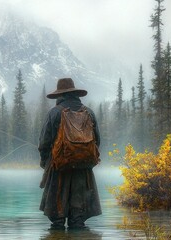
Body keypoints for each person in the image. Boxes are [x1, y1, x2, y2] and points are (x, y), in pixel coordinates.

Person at [38, 77, 102, 230]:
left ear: (60, 95)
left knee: (57, 219)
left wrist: (45, 162)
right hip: (84, 168)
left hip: (59, 167)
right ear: (75, 94)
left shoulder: (54, 113)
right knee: (78, 220)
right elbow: (97, 141)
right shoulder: (89, 113)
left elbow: (44, 143)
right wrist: (83, 156)